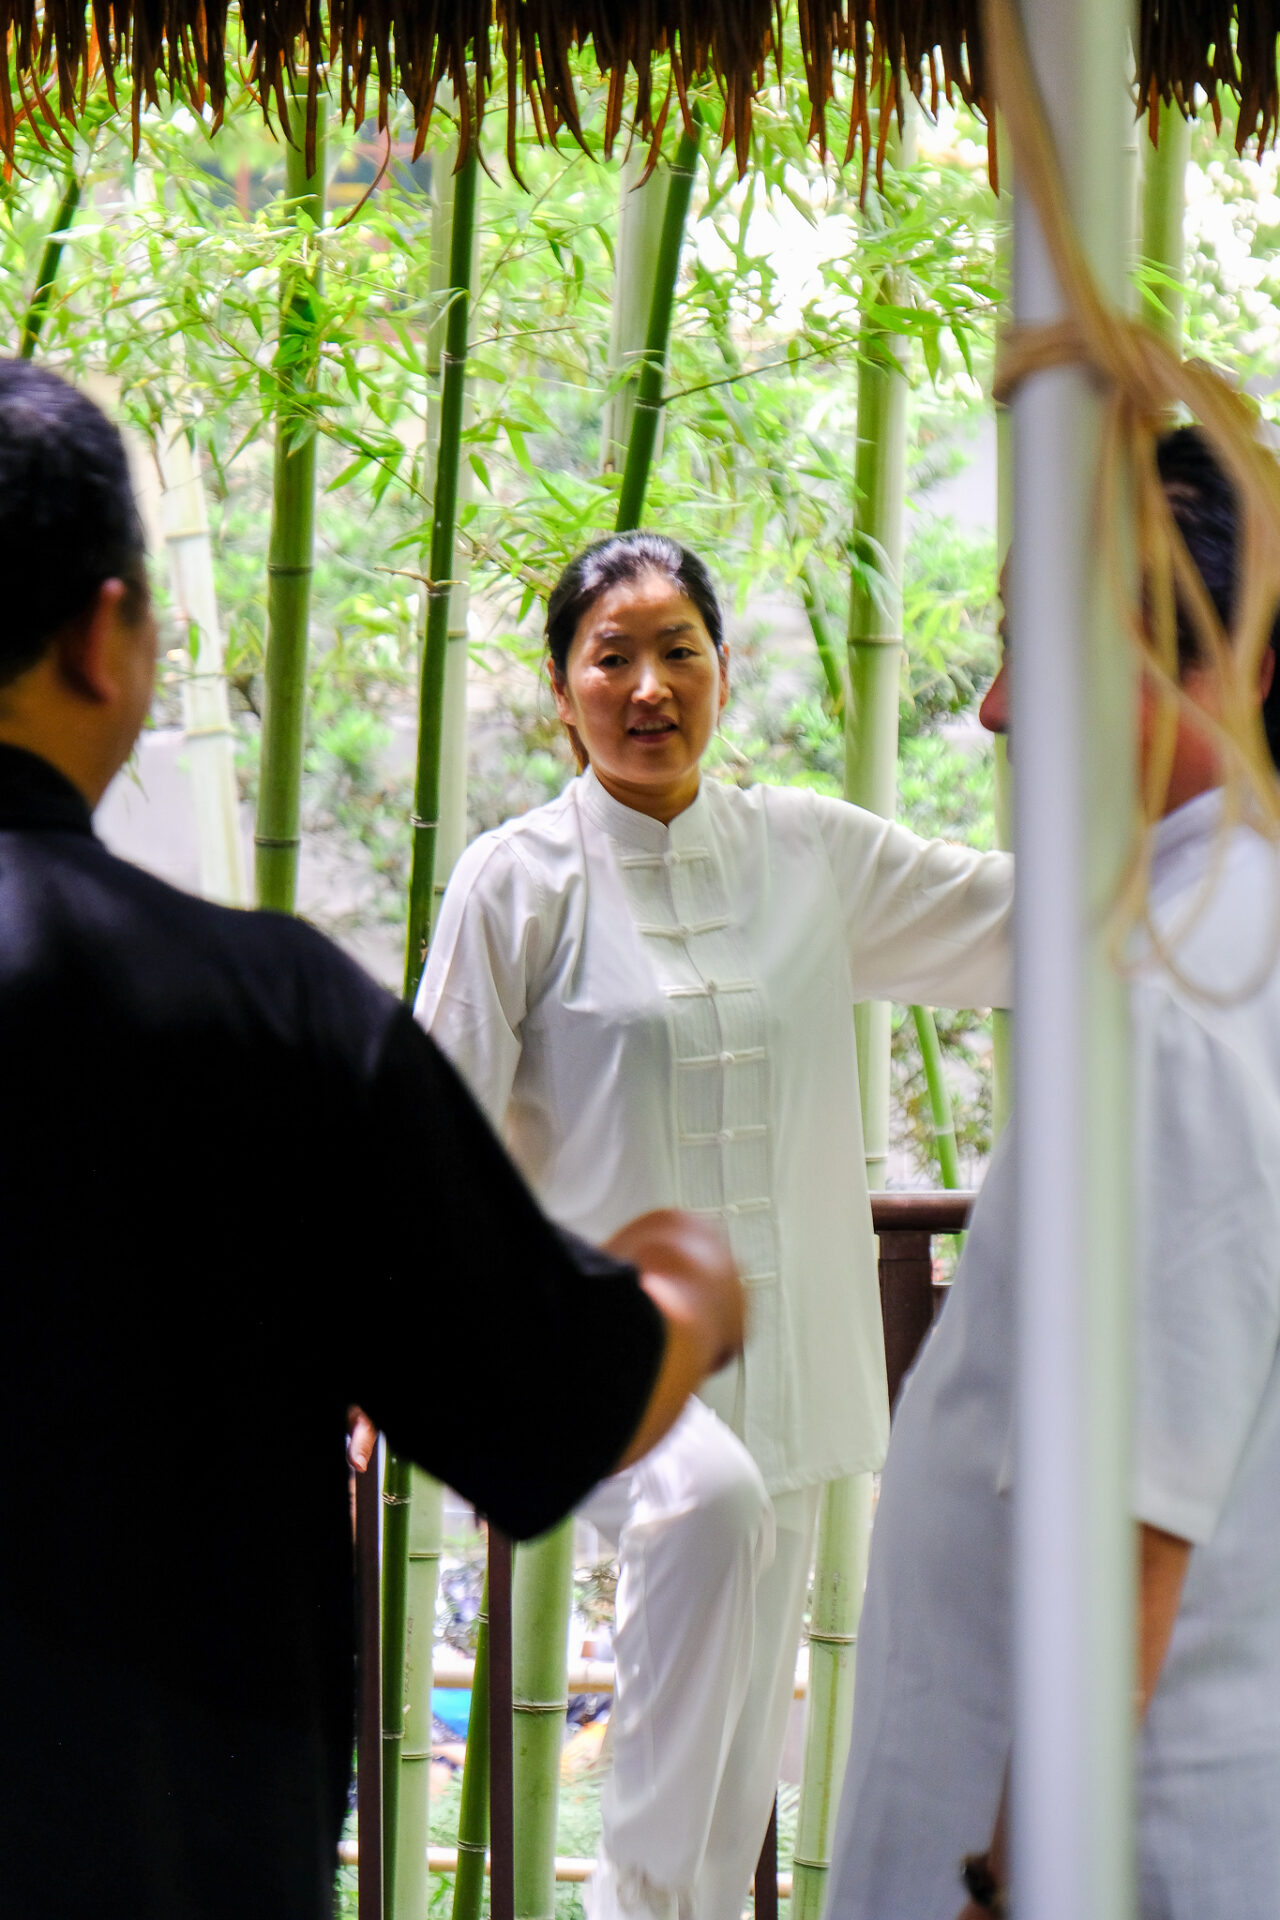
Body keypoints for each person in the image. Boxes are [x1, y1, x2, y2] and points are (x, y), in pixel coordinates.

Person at [0, 360, 749, 1920]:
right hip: (153, 1844)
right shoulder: (265, 1015)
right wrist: (684, 1282)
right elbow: (541, 1405)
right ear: (105, 634)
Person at [416, 531, 1014, 1920]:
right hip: (604, 1364)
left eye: (677, 651)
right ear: (558, 695)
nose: (647, 686)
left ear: (726, 676)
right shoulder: (515, 882)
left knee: (744, 1752)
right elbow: (428, 1129)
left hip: (794, 1358)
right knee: (706, 1504)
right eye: (609, 657)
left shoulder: (805, 848)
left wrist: (1194, 842)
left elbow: (1006, 917)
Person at [825, 425, 1280, 1920]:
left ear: (1228, 653)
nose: (1000, 710)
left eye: (1047, 644)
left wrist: (1004, 1888)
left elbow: (1122, 1531)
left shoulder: (1180, 993)